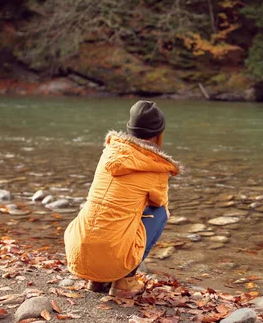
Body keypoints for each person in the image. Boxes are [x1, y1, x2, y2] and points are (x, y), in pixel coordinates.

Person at [64, 100, 181, 296]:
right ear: (159, 134)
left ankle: (97, 281)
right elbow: (158, 202)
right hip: (104, 254)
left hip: (78, 250)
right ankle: (124, 282)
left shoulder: (110, 152)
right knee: (159, 212)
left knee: (109, 207)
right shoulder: (156, 167)